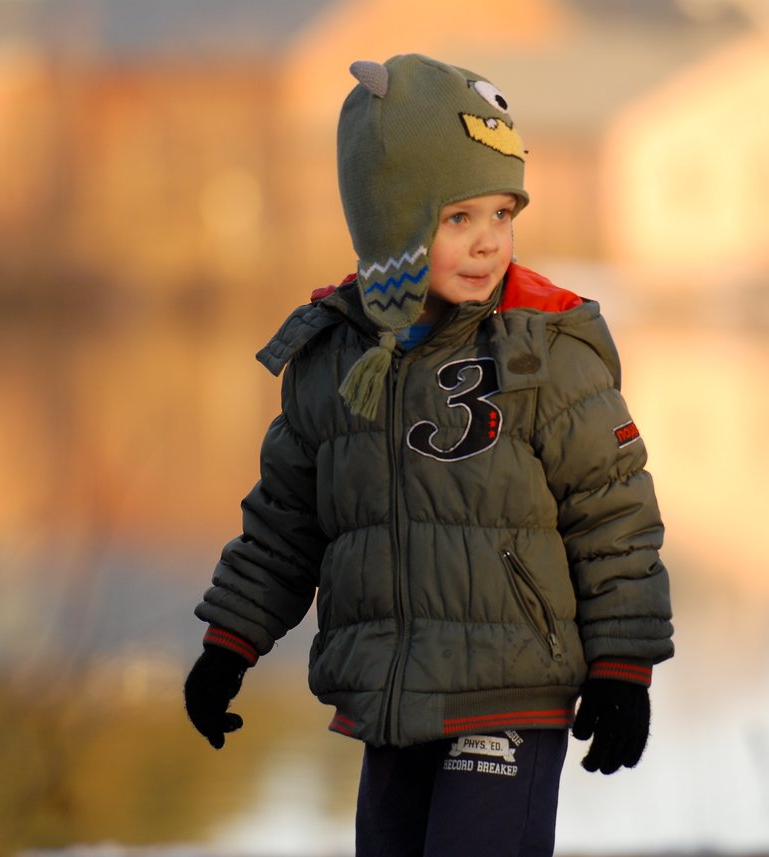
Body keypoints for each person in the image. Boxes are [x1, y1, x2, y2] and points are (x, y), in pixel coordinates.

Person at [184, 53, 674, 857]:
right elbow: (283, 527)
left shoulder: (541, 347)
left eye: (502, 214)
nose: (489, 243)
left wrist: (624, 666)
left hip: (510, 687)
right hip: (391, 695)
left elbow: (615, 514)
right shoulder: (334, 359)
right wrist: (227, 646)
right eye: (458, 219)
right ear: (390, 220)